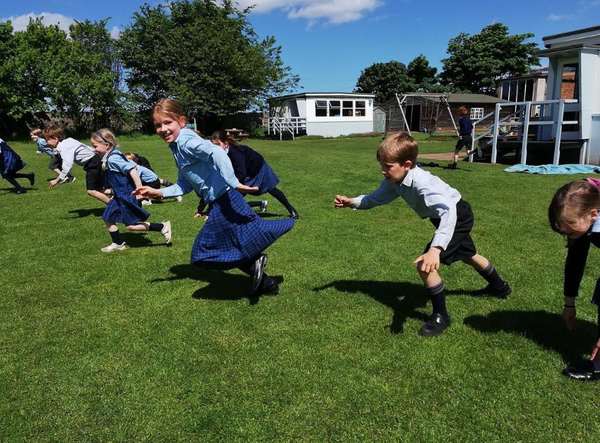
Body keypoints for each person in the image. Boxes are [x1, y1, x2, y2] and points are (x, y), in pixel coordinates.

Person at [334, 131, 511, 337]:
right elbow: (375, 199)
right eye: (382, 165)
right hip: (445, 217)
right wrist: (352, 202)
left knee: (425, 265)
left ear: (407, 165)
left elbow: (448, 212)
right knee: (468, 256)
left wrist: (435, 249)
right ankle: (500, 287)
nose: (383, 171)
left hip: (455, 216)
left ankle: (440, 316)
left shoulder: (422, 183)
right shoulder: (395, 181)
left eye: (388, 166)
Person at [133, 98, 294, 296]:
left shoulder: (185, 141)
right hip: (220, 202)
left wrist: (233, 182)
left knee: (204, 252)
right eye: (158, 125)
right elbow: (184, 184)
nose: (163, 129)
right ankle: (266, 283)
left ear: (181, 121)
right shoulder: (177, 146)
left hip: (226, 200)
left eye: (168, 123)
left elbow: (216, 151)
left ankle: (256, 265)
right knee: (230, 246)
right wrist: (158, 192)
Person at [548, 179, 600, 381]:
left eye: (569, 225)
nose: (562, 230)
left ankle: (597, 366)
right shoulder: (585, 202)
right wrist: (569, 303)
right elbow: (576, 260)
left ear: (593, 215)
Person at [91, 129, 172, 252]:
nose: (94, 149)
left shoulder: (113, 158)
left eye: (95, 146)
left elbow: (133, 170)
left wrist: (139, 190)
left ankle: (162, 226)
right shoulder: (113, 156)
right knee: (108, 217)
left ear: (106, 145)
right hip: (119, 196)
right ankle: (118, 243)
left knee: (131, 226)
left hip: (127, 196)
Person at [210, 130, 298, 219]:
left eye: (217, 145)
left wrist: (233, 186)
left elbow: (241, 174)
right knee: (236, 196)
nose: (215, 148)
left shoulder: (235, 154)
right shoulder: (218, 155)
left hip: (258, 166)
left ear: (225, 144)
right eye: (213, 145)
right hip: (245, 171)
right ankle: (258, 204)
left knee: (271, 189)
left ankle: (291, 210)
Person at [44, 125, 110, 204]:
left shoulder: (63, 148)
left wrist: (57, 180)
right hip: (96, 161)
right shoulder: (69, 140)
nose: (46, 142)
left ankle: (115, 207)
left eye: (47, 139)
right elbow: (86, 147)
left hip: (93, 164)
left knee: (91, 191)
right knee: (99, 189)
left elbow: (67, 166)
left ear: (55, 139)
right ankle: (118, 197)